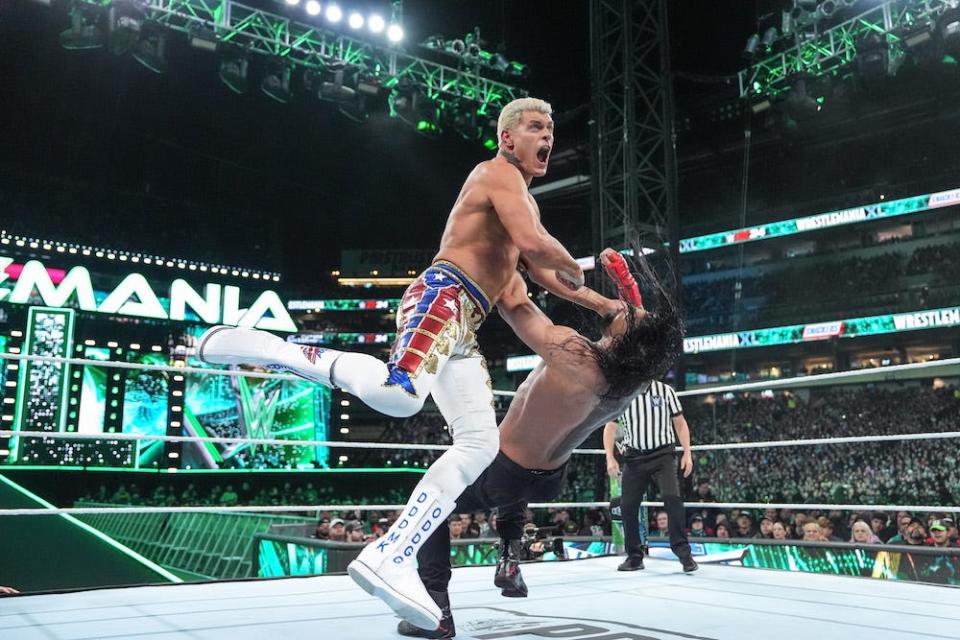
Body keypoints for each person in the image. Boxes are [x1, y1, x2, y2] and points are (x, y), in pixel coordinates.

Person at [197, 97, 588, 630]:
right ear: (507, 139)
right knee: (401, 396)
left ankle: (393, 552)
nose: (549, 137)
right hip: (443, 295)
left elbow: (533, 281)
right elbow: (536, 247)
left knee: (481, 444)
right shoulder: (497, 175)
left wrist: (607, 305)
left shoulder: (516, 205)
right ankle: (273, 350)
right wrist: (577, 267)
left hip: (465, 326)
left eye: (551, 128)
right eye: (538, 127)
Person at [397, 249, 683, 638]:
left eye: (630, 313)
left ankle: (435, 612)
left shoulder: (576, 354)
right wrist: (621, 285)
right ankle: (509, 562)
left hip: (506, 470)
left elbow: (513, 301)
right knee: (509, 466)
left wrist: (510, 257)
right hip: (550, 478)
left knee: (431, 500)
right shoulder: (632, 380)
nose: (632, 309)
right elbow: (642, 327)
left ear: (624, 336)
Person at [603, 379, 696, 573]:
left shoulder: (665, 391)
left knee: (673, 498)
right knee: (627, 506)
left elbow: (680, 423)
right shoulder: (623, 393)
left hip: (663, 455)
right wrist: (610, 458)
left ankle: (683, 552)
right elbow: (610, 427)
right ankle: (634, 557)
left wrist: (687, 453)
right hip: (634, 457)